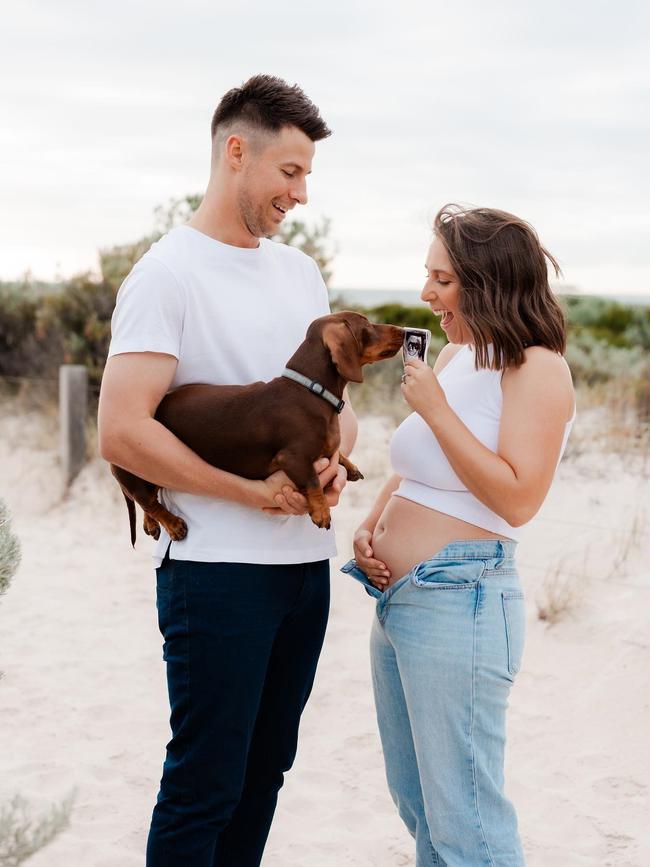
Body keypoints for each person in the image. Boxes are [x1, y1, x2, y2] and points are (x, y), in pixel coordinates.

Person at [98, 74, 358, 867]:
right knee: (204, 784)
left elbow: (333, 407)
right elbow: (121, 429)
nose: (301, 193)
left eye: (307, 174)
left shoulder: (299, 276)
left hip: (301, 573)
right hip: (214, 572)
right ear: (235, 152)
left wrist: (338, 459)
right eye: (290, 171)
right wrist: (247, 492)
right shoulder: (166, 273)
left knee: (264, 774)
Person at [342, 204, 575, 867]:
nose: (425, 294)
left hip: (461, 597)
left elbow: (517, 495)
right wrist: (369, 524)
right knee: (422, 807)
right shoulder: (454, 355)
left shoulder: (536, 367)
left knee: (468, 823)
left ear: (487, 279)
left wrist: (437, 411)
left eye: (441, 279)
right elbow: (419, 468)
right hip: (402, 600)